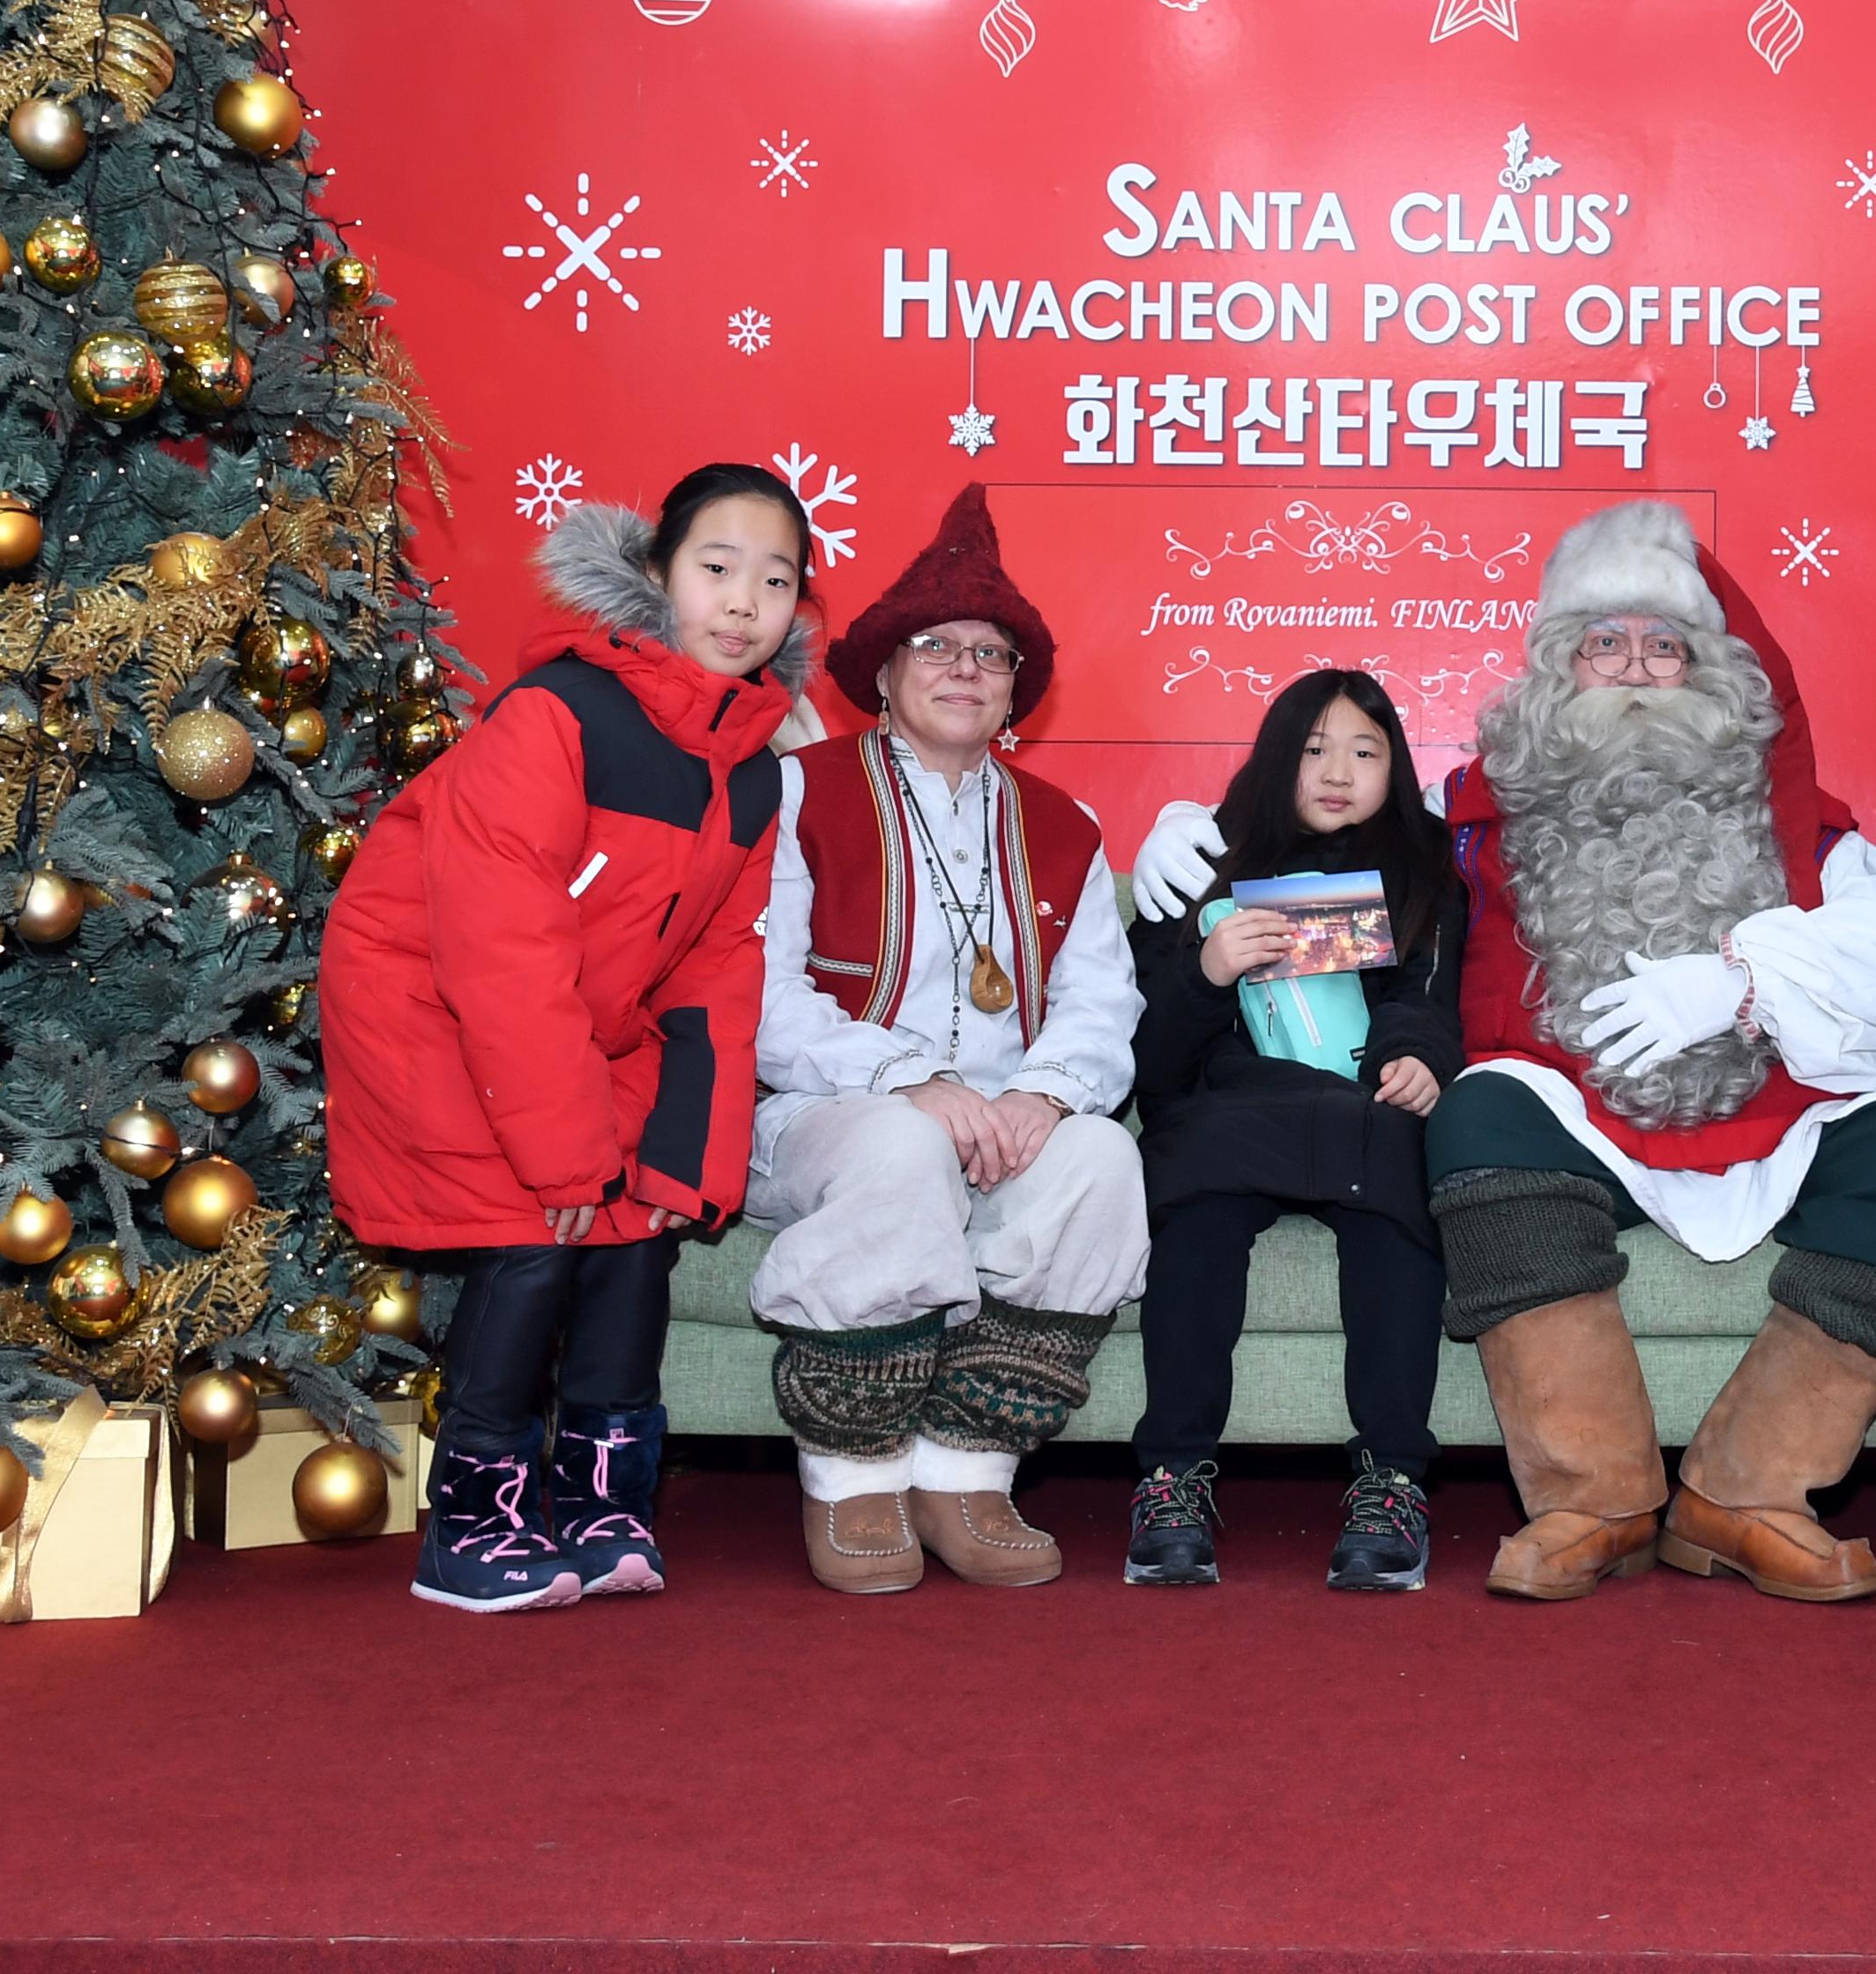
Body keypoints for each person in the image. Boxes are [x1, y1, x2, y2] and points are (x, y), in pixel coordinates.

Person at [1149, 503, 1876, 1603]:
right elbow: (1326, 827)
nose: (1637, 668)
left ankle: (1746, 1492)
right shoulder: (1457, 821)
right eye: (1606, 642)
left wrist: (1741, 981)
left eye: (1665, 642)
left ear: (1716, 674)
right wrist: (1202, 827)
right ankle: (1590, 1497)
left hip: (1774, 1119)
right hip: (1575, 1130)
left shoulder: (1815, 833)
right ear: (1562, 667)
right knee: (1481, 1111)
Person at [322, 463, 812, 1613]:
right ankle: (472, 1525)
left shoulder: (751, 776)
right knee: (536, 1226)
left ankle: (602, 1502)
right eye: (717, 569)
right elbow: (501, 950)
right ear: (656, 577)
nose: (745, 603)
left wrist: (688, 1155)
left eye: (776, 581)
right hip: (433, 1005)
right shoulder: (558, 713)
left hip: (587, 1026)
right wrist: (562, 1153)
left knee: (640, 1221)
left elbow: (716, 963)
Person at [747, 483, 1147, 1595]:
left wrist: (1046, 1097)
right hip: (825, 1116)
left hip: (1000, 1120)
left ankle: (968, 1464)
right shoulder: (798, 791)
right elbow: (764, 998)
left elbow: (1100, 1001)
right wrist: (911, 1083)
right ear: (881, 671)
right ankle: (852, 1468)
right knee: (899, 1147)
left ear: (1017, 688)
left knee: (1104, 1158)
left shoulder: (1065, 824)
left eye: (994, 653)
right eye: (938, 645)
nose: (968, 667)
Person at [1120, 670, 1466, 1591]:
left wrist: (1418, 1060)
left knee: (1399, 1184)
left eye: (1365, 750)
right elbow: (1149, 1059)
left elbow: (1426, 1000)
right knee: (1193, 1214)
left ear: (1396, 764)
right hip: (1227, 1110)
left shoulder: (1424, 860)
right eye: (1314, 749)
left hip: (1360, 1108)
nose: (1338, 772)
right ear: (1276, 754)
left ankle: (1391, 1478)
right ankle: (1171, 1479)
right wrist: (1207, 970)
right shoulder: (1202, 858)